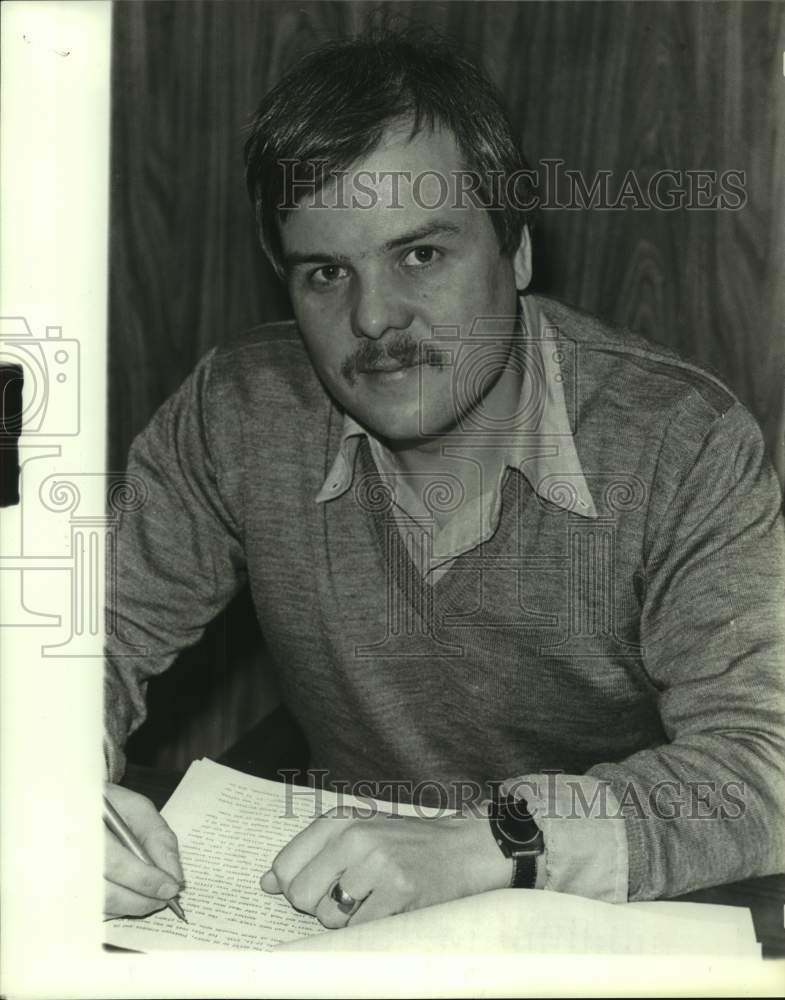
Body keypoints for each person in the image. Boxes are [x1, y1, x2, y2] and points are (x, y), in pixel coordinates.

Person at [103, 30, 785, 926]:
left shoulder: (677, 440)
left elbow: (763, 763)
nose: (374, 316)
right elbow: (75, 634)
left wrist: (492, 841)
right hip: (342, 914)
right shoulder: (237, 412)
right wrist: (48, 785)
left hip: (605, 914)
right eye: (325, 273)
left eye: (420, 254)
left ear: (517, 253)